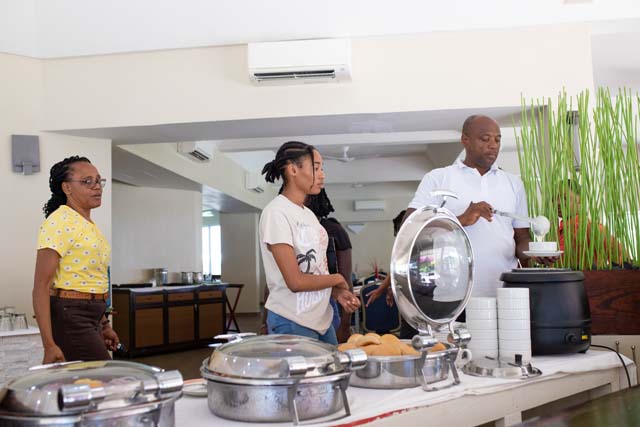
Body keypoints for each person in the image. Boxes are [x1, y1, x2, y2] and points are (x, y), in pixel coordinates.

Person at [368, 115, 551, 307]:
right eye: (485, 139)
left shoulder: (514, 183)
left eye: (497, 140)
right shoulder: (438, 178)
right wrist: (461, 219)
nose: (493, 145)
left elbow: (521, 237)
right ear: (465, 140)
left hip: (504, 291)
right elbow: (409, 229)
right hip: (453, 294)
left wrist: (534, 252)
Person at [259, 141, 360, 344]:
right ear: (293, 169)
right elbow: (295, 282)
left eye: (322, 168)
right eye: (316, 168)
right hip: (292, 319)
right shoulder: (276, 213)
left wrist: (336, 292)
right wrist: (338, 278)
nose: (322, 175)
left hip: (321, 319)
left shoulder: (309, 215)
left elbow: (314, 271)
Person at [33, 156, 119, 363]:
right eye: (87, 181)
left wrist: (104, 325)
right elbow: (41, 286)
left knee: (86, 379)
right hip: (71, 315)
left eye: (98, 181)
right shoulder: (59, 221)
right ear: (67, 188)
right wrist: (49, 345)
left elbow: (90, 280)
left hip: (91, 315)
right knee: (104, 377)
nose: (97, 187)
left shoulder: (87, 224)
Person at [305, 188, 353, 343]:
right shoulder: (292, 227)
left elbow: (346, 280)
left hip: (329, 301)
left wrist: (345, 325)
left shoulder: (334, 230)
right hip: (297, 305)